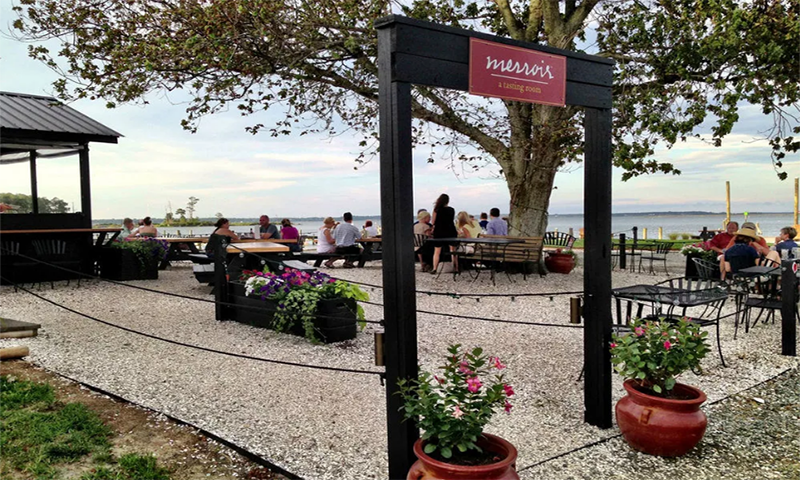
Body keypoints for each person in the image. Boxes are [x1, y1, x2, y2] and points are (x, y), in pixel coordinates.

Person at [431, 193, 458, 274]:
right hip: (450, 231)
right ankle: (456, 268)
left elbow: (433, 222)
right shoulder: (451, 210)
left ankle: (435, 268)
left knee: (437, 251)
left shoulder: (436, 209)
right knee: (453, 250)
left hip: (439, 231)